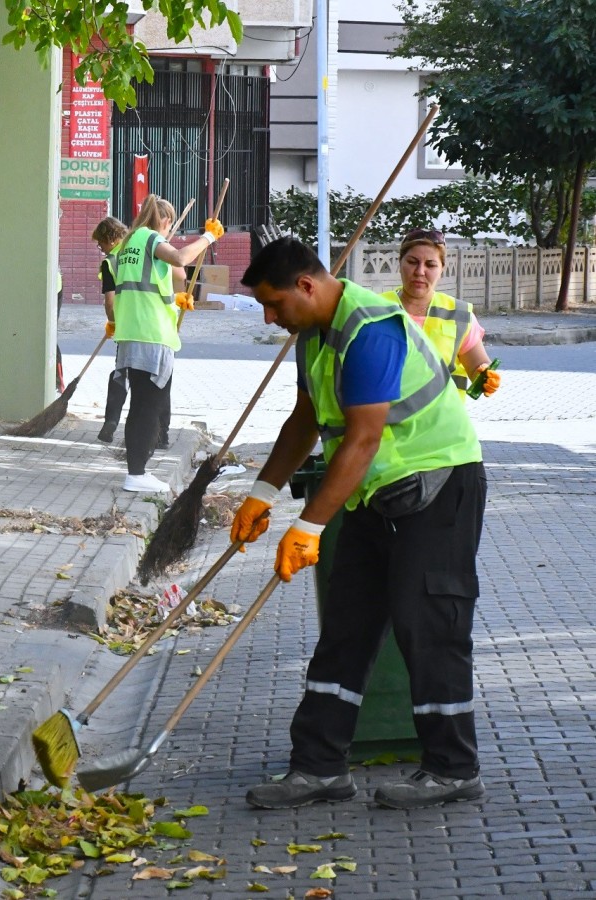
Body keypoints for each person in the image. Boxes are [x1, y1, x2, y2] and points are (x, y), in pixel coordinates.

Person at [232, 236, 487, 811]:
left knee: (429, 624)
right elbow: (304, 422)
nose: (272, 318)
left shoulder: (370, 328)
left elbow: (365, 438)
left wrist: (309, 527)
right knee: (347, 623)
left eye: (275, 304)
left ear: (306, 285)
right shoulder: (314, 336)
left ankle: (453, 768)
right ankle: (319, 767)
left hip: (440, 485)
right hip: (378, 494)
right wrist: (261, 494)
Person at [108, 194, 222, 492]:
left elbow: (153, 282)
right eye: (169, 224)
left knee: (142, 404)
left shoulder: (128, 242)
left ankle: (137, 470)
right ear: (165, 220)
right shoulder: (148, 239)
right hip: (151, 333)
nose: (170, 231)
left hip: (133, 331)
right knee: (148, 406)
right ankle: (136, 474)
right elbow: (181, 259)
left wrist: (175, 300)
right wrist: (208, 237)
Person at [384, 227, 500, 399]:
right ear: (400, 263)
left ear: (442, 268)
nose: (420, 271)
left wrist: (485, 376)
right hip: (386, 423)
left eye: (430, 264)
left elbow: (477, 366)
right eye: (412, 262)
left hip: (443, 423)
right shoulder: (374, 308)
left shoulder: (459, 315)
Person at [92, 216, 131, 444]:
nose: (101, 249)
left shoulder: (111, 262)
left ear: (111, 238)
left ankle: (111, 422)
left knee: (121, 374)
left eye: (101, 243)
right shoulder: (139, 254)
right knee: (151, 381)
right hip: (154, 327)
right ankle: (162, 434)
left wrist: (113, 322)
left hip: (127, 328)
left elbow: (110, 301)